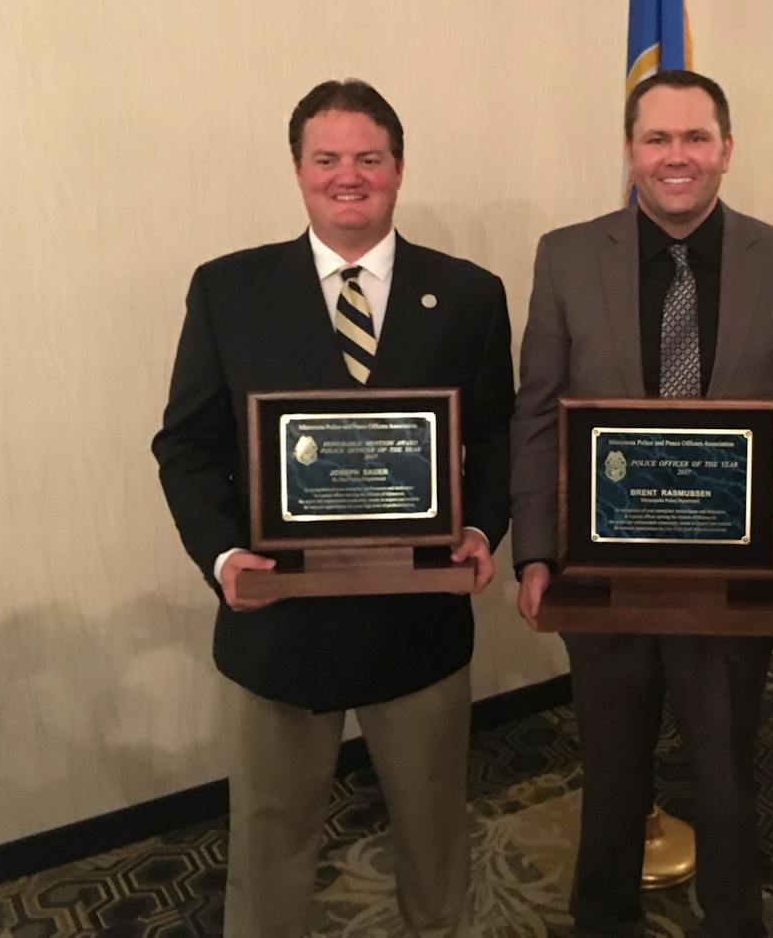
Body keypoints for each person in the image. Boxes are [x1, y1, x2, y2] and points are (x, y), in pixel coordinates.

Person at [152, 79, 513, 938]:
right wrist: (223, 558)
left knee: (434, 835)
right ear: (297, 169)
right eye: (327, 159)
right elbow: (187, 446)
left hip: (415, 620)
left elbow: (498, 438)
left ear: (397, 167)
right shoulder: (228, 289)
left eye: (369, 158)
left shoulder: (468, 293)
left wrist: (476, 528)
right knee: (270, 841)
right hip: (279, 622)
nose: (348, 175)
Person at [509, 69, 773, 937]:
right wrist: (537, 552)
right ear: (630, 151)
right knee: (612, 775)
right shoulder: (566, 256)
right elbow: (537, 414)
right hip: (601, 577)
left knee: (730, 778)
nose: (676, 157)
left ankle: (734, 922)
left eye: (695, 138)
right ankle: (605, 921)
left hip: (736, 581)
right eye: (657, 139)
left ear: (727, 151)